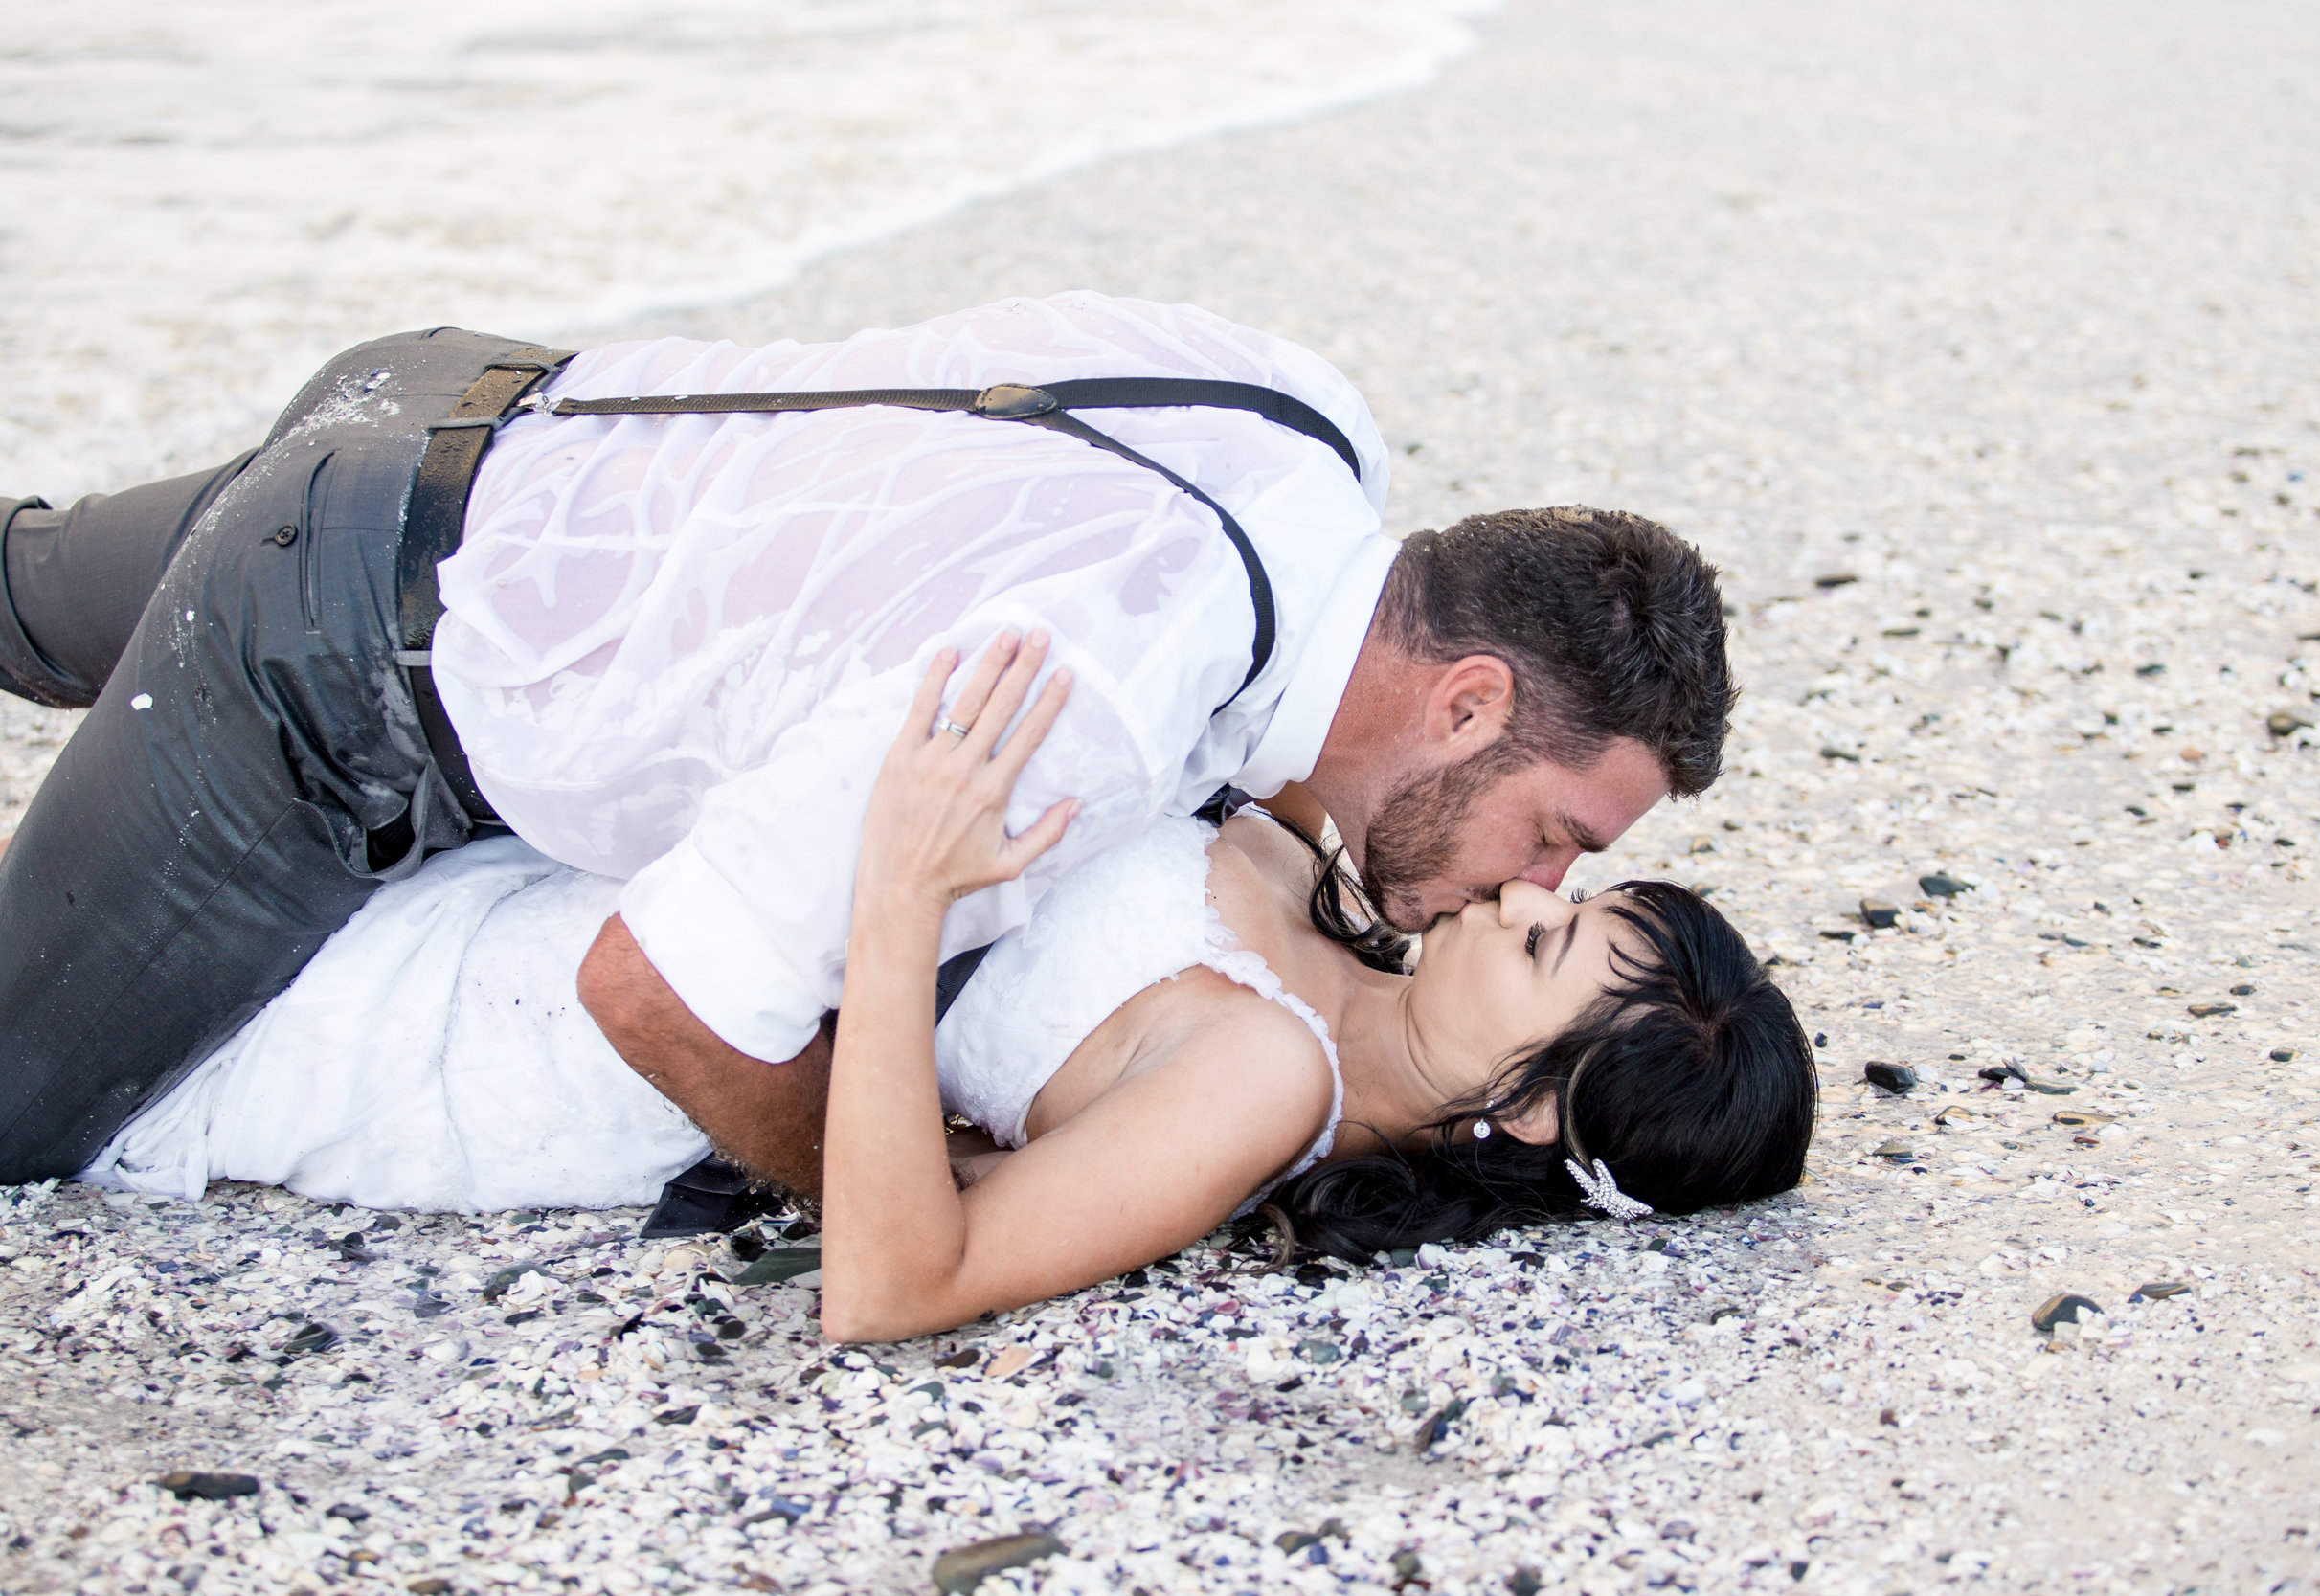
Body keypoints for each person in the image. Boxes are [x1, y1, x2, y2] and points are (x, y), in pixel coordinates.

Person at [1, 293, 1734, 1190]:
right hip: (334, 660)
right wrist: (914, 1164)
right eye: (1563, 837)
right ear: (1473, 703)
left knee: (18, 592)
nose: (1535, 884)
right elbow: (655, 995)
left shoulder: (1307, 423)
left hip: (473, 409)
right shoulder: (1101, 715)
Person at [81, 636, 1814, 1342]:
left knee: (90, 1059)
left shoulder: (1262, 1085)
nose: (1526, 890)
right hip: (582, 893)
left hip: (536, 1052)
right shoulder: (1329, 897)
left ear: (1529, 1107)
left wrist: (900, 896)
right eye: (1563, 876)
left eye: (1549, 942)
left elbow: (902, 1284)